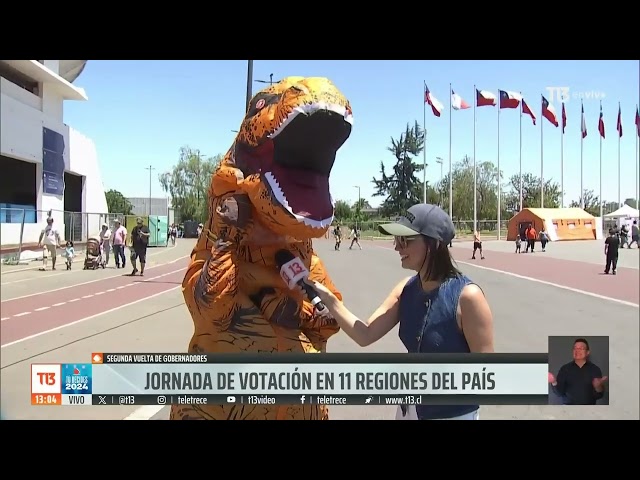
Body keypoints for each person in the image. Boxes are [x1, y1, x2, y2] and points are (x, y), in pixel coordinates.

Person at [305, 203, 494, 420]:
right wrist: (328, 298)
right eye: (396, 239)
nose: (397, 247)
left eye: (405, 240)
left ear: (433, 244)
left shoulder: (467, 297)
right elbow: (365, 333)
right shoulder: (406, 288)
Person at [548, 338, 607, 405]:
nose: (577, 350)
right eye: (575, 348)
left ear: (587, 352)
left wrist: (598, 387)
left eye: (581, 348)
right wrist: (554, 382)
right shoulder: (565, 369)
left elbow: (599, 396)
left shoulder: (595, 369)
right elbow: (559, 393)